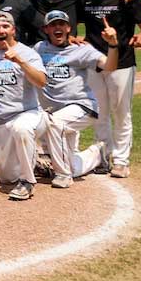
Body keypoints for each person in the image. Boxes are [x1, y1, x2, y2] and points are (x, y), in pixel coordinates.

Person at [78, 0, 141, 178]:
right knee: (99, 113)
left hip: (121, 61)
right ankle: (103, 156)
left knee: (121, 113)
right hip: (94, 62)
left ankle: (121, 160)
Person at [35, 10, 120, 188]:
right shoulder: (39, 48)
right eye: (53, 25)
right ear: (46, 29)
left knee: (54, 124)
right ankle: (97, 153)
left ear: (68, 28)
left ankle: (63, 175)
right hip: (58, 111)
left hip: (82, 107)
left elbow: (110, 66)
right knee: (71, 162)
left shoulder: (81, 50)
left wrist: (113, 45)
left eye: (61, 24)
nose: (57, 27)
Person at [0, 11, 49, 201]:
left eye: (5, 26)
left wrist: (19, 61)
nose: (1, 30)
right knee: (7, 178)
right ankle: (34, 163)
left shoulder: (27, 53)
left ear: (13, 30)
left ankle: (27, 182)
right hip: (1, 121)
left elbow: (41, 81)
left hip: (28, 114)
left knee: (21, 129)